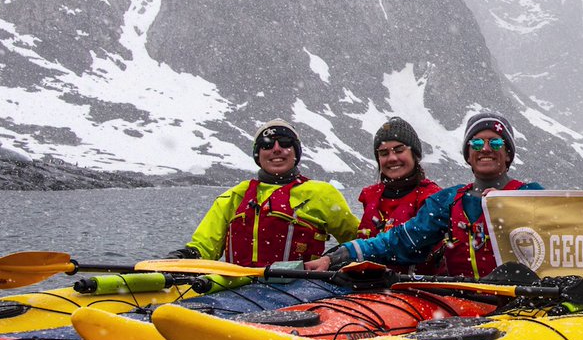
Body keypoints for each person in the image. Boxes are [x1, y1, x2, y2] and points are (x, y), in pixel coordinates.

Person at [306, 112, 543, 279]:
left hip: (520, 302)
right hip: (464, 305)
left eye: (496, 142)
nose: (486, 149)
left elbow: (571, 235)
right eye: (477, 142)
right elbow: (401, 240)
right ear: (468, 155)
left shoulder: (532, 195)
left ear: (508, 153)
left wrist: (514, 206)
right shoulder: (448, 201)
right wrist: (339, 255)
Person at [167, 120, 360, 266]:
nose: (276, 149)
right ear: (258, 155)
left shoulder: (322, 194)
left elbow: (358, 241)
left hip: (303, 289)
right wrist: (181, 257)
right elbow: (204, 247)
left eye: (284, 143)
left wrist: (333, 259)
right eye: (267, 145)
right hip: (239, 289)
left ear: (295, 153)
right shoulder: (234, 196)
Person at [356, 117, 444, 274]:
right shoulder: (370, 197)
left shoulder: (432, 198)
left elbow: (411, 245)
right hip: (369, 286)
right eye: (384, 153)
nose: (392, 158)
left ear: (415, 155)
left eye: (399, 150)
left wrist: (352, 251)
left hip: (415, 289)